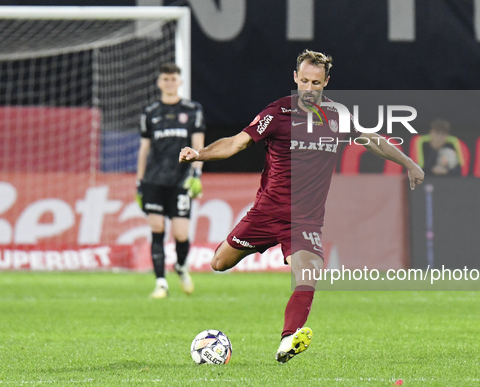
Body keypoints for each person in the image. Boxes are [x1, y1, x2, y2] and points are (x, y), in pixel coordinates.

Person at [179, 50, 424, 362]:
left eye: (316, 83)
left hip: (304, 221)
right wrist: (198, 154)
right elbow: (236, 143)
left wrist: (408, 162)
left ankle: (288, 340)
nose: (309, 88)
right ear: (295, 78)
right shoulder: (278, 113)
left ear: (326, 83)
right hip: (266, 213)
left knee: (308, 275)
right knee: (219, 263)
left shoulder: (336, 116)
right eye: (305, 81)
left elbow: (371, 139)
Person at [136, 63, 205, 299]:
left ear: (180, 81)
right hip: (154, 180)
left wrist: (196, 174)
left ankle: (181, 267)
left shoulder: (192, 110)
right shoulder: (150, 112)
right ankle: (160, 283)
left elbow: (198, 145)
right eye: (165, 79)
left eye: (173, 78)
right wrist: (139, 181)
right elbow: (144, 149)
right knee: (157, 229)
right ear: (159, 82)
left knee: (181, 233)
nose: (169, 83)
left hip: (180, 180)